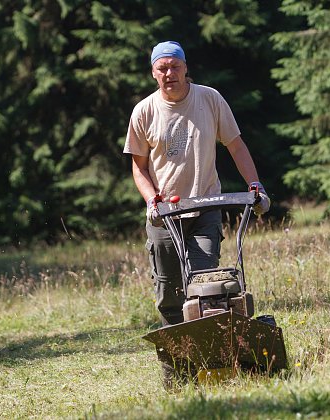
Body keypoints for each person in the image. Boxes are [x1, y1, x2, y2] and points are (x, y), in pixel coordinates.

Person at [124, 40, 270, 328]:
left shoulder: (210, 99)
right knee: (169, 295)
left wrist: (256, 185)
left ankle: (212, 353)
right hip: (164, 217)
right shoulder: (144, 111)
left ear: (186, 68)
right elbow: (138, 167)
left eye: (175, 66)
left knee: (206, 286)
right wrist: (152, 200)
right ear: (153, 73)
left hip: (205, 209)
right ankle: (178, 363)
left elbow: (235, 145)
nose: (169, 74)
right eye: (162, 68)